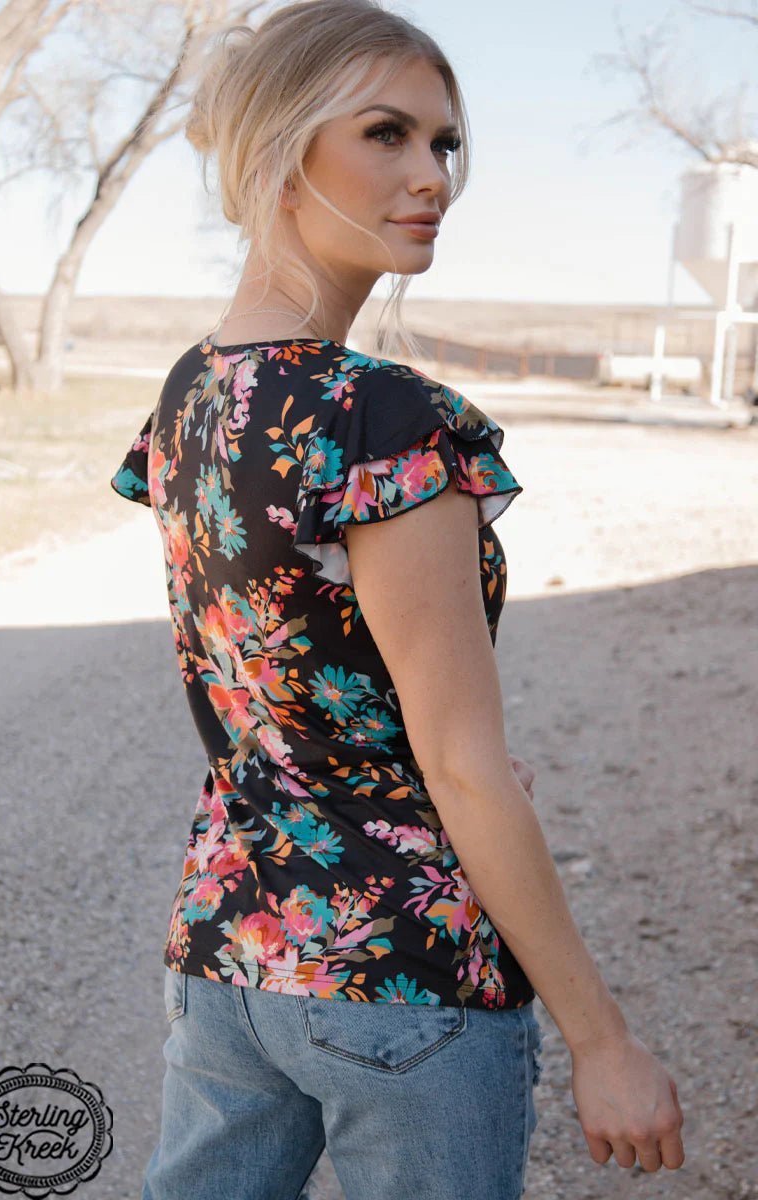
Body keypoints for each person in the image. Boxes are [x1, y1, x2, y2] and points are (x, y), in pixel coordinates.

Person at [110, 2, 685, 1197]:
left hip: (229, 952)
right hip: (404, 980)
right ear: (277, 153)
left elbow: (280, 669)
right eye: (386, 133)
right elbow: (462, 767)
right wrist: (603, 1042)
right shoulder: (379, 416)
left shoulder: (192, 392)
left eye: (443, 142)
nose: (432, 176)